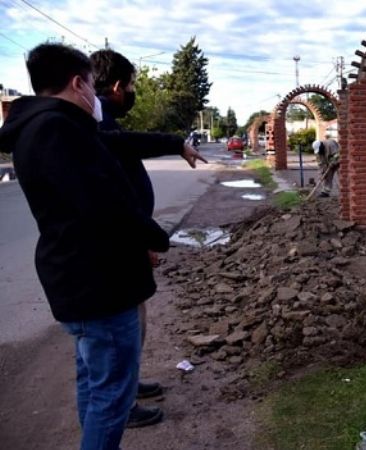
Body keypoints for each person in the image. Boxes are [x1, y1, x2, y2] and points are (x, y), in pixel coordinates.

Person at [0, 43, 179, 450]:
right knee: (112, 398)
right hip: (98, 283)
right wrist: (154, 236)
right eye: (93, 84)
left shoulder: (51, 126)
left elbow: (115, 152)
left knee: (95, 384)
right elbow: (103, 206)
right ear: (79, 83)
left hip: (84, 279)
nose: (96, 95)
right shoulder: (57, 130)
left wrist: (170, 142)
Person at [90, 48, 206, 429]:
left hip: (126, 241)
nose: (132, 93)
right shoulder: (97, 119)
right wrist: (143, 240)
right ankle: (120, 404)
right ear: (119, 85)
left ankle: (128, 386)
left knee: (131, 325)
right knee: (119, 331)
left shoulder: (99, 118)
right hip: (117, 246)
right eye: (133, 86)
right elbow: (112, 188)